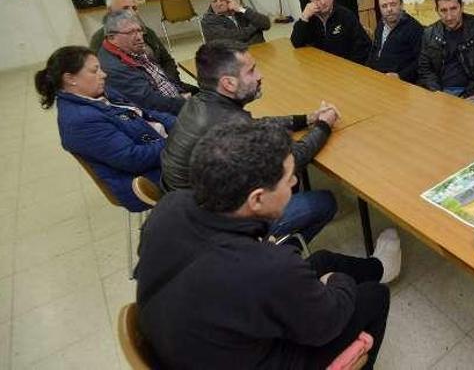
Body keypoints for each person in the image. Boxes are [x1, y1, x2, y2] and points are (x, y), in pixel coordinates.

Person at [137, 119, 401, 369]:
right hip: (254, 358)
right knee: (373, 296)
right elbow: (327, 325)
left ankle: (379, 267)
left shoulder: (170, 206)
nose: (296, 182)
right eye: (288, 180)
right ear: (257, 199)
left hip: (191, 340)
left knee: (321, 260)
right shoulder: (269, 268)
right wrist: (337, 281)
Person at [161, 40, 338, 242]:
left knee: (289, 187)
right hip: (212, 228)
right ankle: (276, 256)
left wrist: (308, 119)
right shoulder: (230, 125)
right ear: (228, 83)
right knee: (325, 202)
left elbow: (257, 124)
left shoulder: (200, 102)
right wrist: (324, 126)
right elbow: (290, 161)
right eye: (251, 71)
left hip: (184, 207)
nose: (260, 75)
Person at [34, 46, 175, 212]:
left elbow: (145, 112)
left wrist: (183, 124)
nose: (103, 74)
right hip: (150, 176)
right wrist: (178, 142)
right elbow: (133, 158)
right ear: (71, 78)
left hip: (163, 151)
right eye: (94, 71)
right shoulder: (80, 121)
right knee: (212, 166)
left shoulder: (98, 92)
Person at [98, 9, 193, 115]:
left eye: (139, 31)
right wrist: (184, 103)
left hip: (176, 98)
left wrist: (181, 93)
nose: (139, 37)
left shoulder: (131, 50)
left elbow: (163, 71)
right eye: (130, 32)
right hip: (168, 114)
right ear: (112, 37)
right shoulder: (114, 68)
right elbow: (150, 103)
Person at [89, 0, 185, 86]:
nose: (132, 12)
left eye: (134, 8)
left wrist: (174, 84)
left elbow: (167, 60)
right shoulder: (100, 39)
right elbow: (103, 77)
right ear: (110, 11)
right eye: (125, 8)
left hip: (167, 83)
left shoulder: (147, 32)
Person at [290, 0, 371, 64]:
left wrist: (350, 66)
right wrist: (304, 17)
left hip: (345, 65)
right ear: (311, 2)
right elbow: (296, 43)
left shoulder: (345, 15)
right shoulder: (309, 18)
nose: (323, 2)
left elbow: (362, 45)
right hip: (319, 65)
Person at [365, 0, 423, 83]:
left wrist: (400, 76)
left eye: (393, 4)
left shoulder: (414, 28)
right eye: (384, 6)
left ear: (401, 5)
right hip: (377, 78)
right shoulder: (381, 25)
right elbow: (375, 50)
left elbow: (421, 62)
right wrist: (367, 69)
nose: (389, 9)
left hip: (400, 84)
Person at [201, 0, 271, 46]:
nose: (219, 4)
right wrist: (255, 28)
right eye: (214, 1)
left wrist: (242, 10)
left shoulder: (241, 10)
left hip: (257, 50)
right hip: (231, 56)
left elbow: (266, 24)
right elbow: (232, 38)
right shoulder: (207, 20)